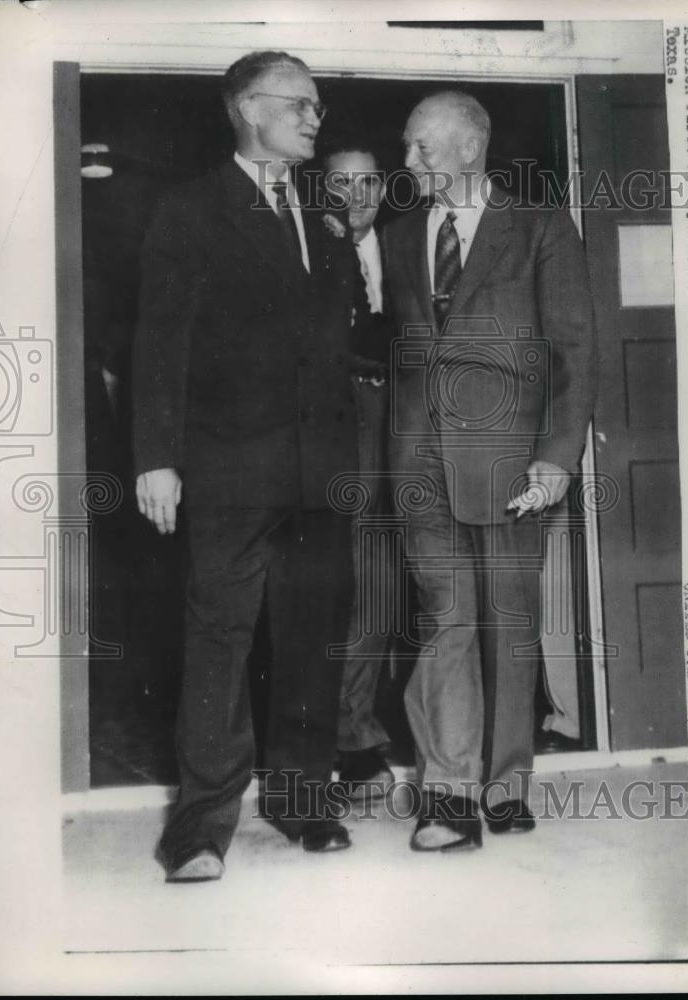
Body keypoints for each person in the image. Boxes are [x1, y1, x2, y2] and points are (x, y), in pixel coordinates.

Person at [132, 50, 362, 881]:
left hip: (319, 472)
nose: (314, 119)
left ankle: (304, 802)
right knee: (219, 641)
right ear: (247, 109)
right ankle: (198, 829)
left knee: (312, 640)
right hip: (226, 470)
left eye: (317, 107)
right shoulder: (189, 210)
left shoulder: (327, 218)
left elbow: (342, 347)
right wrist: (155, 458)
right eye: (299, 105)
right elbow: (159, 344)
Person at [385, 91, 597, 851]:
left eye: (421, 149)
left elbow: (573, 351)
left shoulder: (539, 227)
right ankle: (447, 794)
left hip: (511, 462)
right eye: (407, 149)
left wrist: (555, 458)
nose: (407, 163)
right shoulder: (401, 233)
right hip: (418, 461)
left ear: (469, 149)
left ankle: (504, 785)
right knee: (443, 620)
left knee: (506, 624)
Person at [321, 139, 395, 799]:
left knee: (379, 587)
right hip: (330, 438)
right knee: (329, 588)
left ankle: (357, 730)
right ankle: (337, 736)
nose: (356, 196)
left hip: (404, 431)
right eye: (341, 184)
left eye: (368, 182)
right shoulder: (305, 251)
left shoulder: (406, 250)